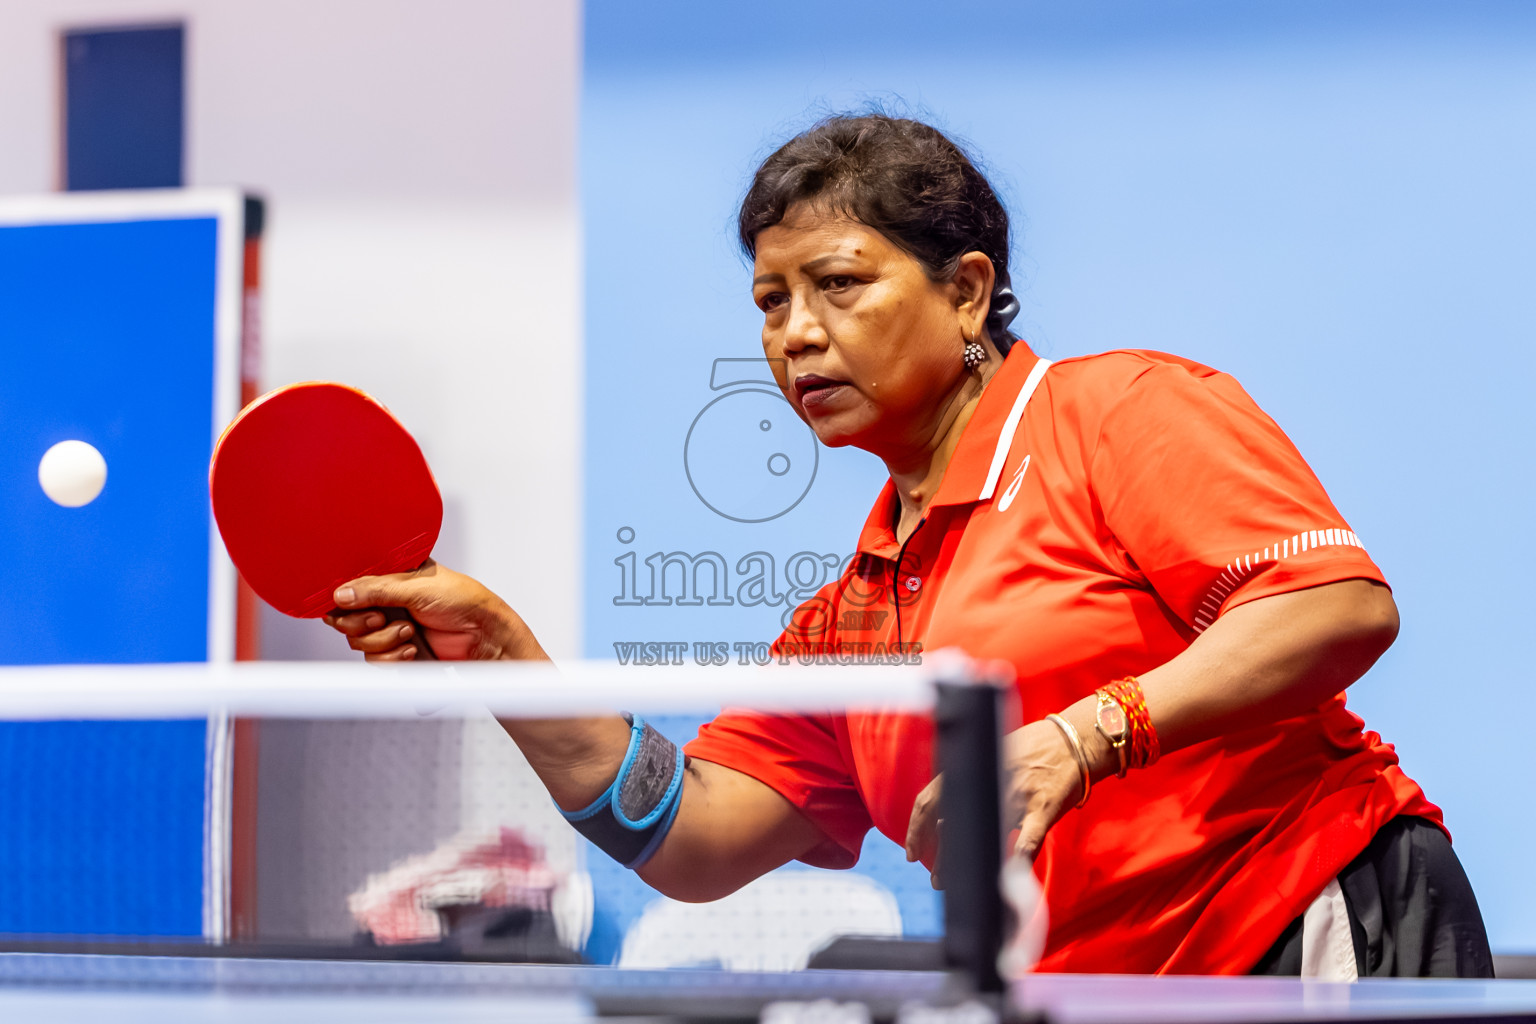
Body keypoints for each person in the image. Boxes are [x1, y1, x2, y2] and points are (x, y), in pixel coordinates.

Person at [324, 114, 1492, 977]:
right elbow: (690, 832)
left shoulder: (1115, 412)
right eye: (770, 303)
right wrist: (505, 661)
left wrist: (1089, 735)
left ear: (969, 290)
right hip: (1095, 993)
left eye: (837, 285)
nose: (796, 337)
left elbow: (1335, 604)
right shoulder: (856, 609)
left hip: (1300, 930)